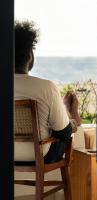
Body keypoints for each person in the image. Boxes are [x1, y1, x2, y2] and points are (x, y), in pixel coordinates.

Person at [14, 20, 81, 163]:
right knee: (66, 131)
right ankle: (68, 113)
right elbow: (63, 133)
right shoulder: (45, 87)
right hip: (41, 156)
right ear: (30, 56)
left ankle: (66, 113)